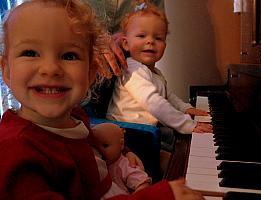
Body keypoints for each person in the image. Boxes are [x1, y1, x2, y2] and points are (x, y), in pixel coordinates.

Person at [0, 0, 204, 199]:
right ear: (6, 71)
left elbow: (90, 146)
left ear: (91, 72)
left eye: (69, 55)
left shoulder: (74, 117)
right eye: (30, 53)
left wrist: (123, 152)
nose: (51, 69)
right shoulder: (15, 153)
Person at [106, 0, 213, 135]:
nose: (150, 41)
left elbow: (167, 96)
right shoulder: (133, 70)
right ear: (126, 44)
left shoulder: (155, 72)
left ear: (165, 45)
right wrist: (187, 125)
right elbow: (154, 102)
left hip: (144, 130)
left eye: (158, 38)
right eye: (141, 36)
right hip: (124, 131)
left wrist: (185, 108)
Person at [93, 123, 151, 195]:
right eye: (94, 146)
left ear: (121, 144)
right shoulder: (97, 163)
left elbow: (143, 183)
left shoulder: (125, 165)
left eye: (105, 145)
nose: (99, 150)